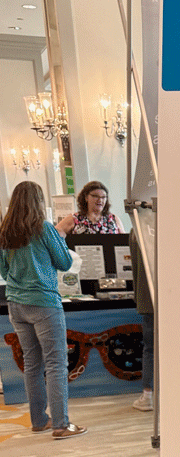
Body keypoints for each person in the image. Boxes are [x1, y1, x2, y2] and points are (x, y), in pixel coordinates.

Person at [0, 181, 87, 438]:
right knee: (56, 364)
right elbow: (64, 262)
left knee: (32, 364)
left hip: (16, 303)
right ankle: (61, 424)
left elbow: (3, 271)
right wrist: (60, 234)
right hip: (44, 303)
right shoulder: (44, 228)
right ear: (38, 202)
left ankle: (39, 421)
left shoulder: (4, 231)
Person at [129, 229, 154, 411]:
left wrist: (139, 298)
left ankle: (148, 395)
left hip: (147, 297)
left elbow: (135, 266)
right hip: (174, 299)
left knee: (150, 349)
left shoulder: (136, 227)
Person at [56, 180, 126, 240]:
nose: (100, 200)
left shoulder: (113, 219)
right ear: (86, 197)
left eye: (103, 197)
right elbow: (53, 235)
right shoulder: (74, 218)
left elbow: (124, 242)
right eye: (95, 196)